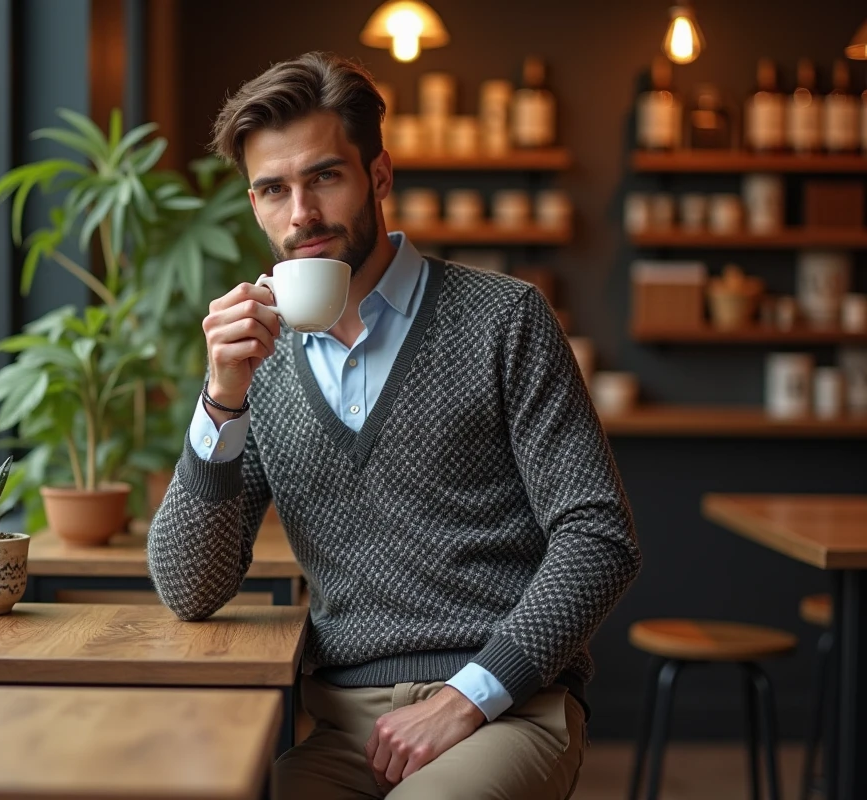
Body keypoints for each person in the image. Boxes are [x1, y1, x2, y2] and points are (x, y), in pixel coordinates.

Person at [147, 51, 641, 800]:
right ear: (254, 205)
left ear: (378, 177)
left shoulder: (506, 319)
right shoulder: (259, 363)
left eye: (324, 177)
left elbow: (600, 537)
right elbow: (191, 587)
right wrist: (221, 399)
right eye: (272, 190)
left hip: (507, 710)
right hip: (342, 728)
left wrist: (469, 697)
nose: (300, 213)